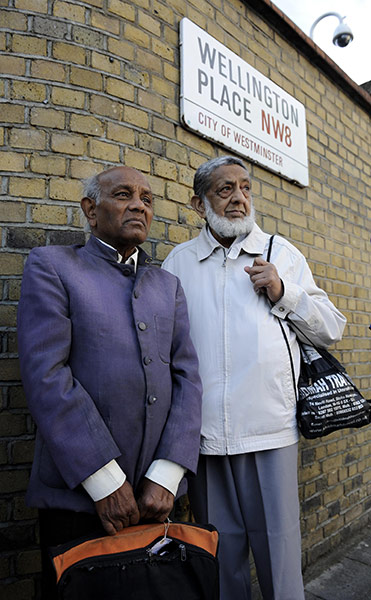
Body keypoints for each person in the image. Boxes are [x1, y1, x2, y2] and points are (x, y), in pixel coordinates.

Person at [162, 155, 346, 600]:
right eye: (225, 190)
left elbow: (332, 326)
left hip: (269, 431)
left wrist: (285, 292)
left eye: (245, 187)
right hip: (205, 439)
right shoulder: (179, 262)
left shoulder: (281, 253)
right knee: (222, 565)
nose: (239, 198)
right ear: (198, 202)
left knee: (280, 564)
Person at [17, 165, 202, 599]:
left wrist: (168, 473)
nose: (139, 204)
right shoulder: (53, 266)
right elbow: (46, 375)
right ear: (90, 210)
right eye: (123, 195)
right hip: (78, 496)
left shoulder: (167, 286)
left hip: (157, 497)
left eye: (147, 198)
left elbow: (188, 377)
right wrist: (104, 480)